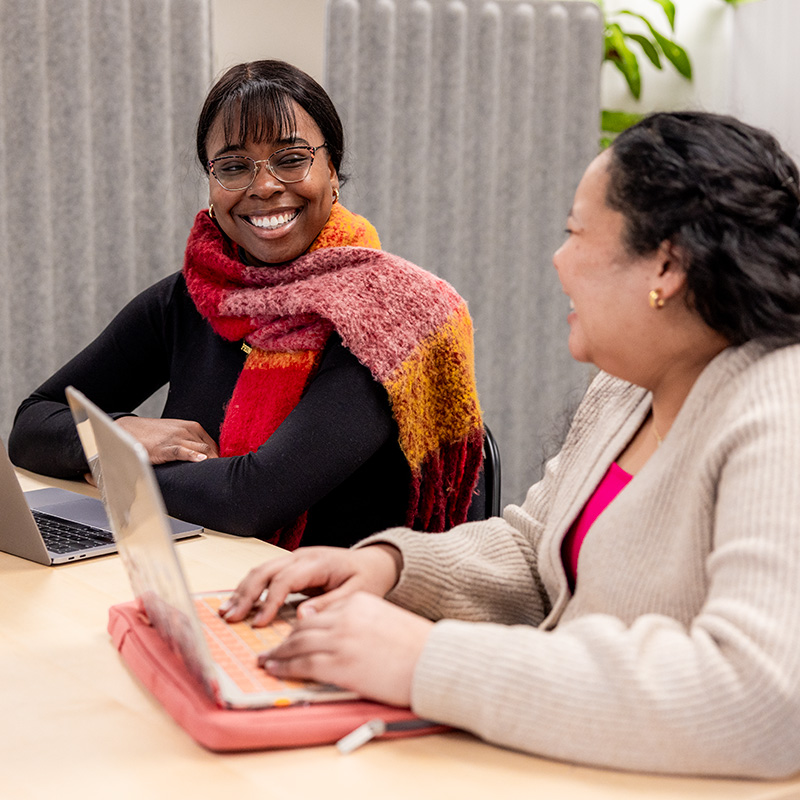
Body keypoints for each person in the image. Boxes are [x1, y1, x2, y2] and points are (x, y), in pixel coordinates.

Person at [219, 112, 800, 778]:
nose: (558, 259)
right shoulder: (627, 386)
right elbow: (535, 552)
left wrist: (427, 660)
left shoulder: (781, 408)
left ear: (667, 263)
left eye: (575, 233)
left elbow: (761, 698)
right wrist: (390, 568)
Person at [8, 60, 484, 548]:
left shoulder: (385, 318)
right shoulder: (194, 296)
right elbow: (31, 425)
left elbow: (252, 499)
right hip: (197, 578)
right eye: (234, 167)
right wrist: (119, 436)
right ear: (212, 186)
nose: (264, 186)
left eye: (291, 158)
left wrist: (114, 469)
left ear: (333, 171)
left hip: (328, 605)